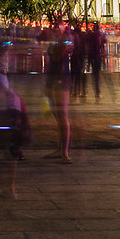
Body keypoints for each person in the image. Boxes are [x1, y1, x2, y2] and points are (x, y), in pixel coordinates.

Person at [44, 22, 73, 163]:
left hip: (62, 81)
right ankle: (60, 149)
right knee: (57, 116)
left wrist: (57, 46)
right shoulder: (55, 43)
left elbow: (58, 57)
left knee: (62, 116)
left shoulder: (66, 42)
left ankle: (65, 152)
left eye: (57, 29)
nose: (54, 31)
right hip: (51, 80)